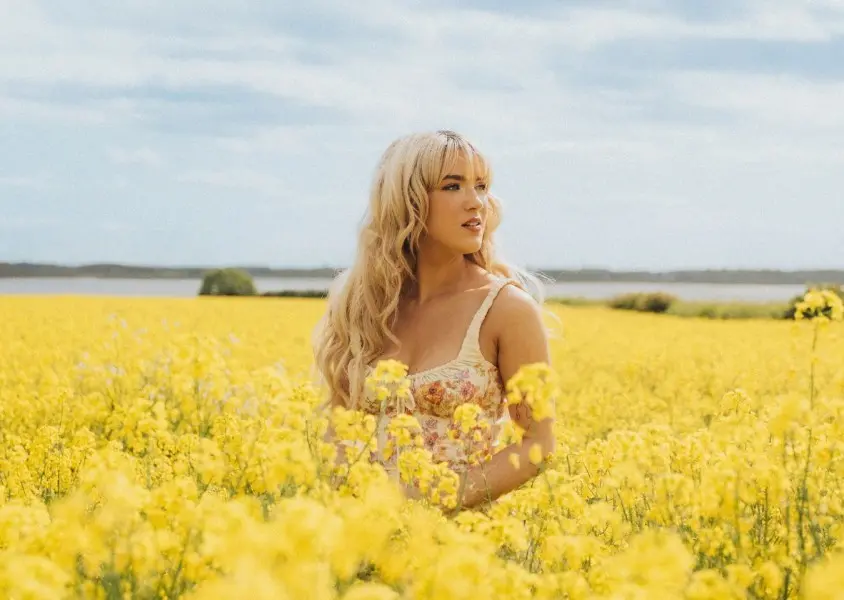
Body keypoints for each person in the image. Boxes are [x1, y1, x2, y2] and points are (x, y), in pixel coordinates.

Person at [312, 129, 556, 511]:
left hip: (456, 550)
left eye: (481, 186)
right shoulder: (364, 307)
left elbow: (537, 445)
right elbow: (339, 431)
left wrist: (434, 501)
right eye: (452, 186)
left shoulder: (507, 310)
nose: (476, 202)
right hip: (360, 538)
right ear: (407, 200)